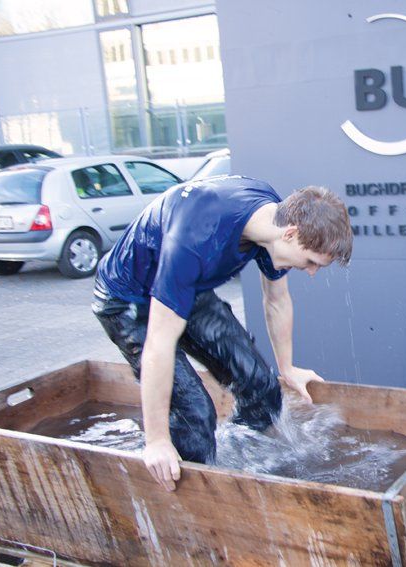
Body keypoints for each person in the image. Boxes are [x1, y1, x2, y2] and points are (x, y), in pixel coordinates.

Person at [91, 176, 353, 491]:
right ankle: (188, 488)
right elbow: (159, 342)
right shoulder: (195, 236)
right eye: (311, 262)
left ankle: (235, 470)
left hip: (188, 287)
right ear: (291, 234)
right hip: (128, 299)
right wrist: (156, 440)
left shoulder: (274, 219)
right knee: (194, 413)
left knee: (262, 386)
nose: (311, 272)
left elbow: (277, 300)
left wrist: (286, 368)